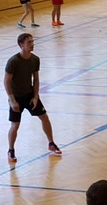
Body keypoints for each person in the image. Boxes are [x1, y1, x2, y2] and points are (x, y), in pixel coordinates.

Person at [5, 33, 63, 162]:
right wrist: (12, 100)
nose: (32, 44)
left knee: (44, 118)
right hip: (16, 97)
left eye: (32, 41)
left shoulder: (35, 59)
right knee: (15, 125)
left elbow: (36, 79)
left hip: (30, 95)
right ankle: (11, 150)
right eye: (29, 42)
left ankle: (51, 143)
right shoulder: (13, 61)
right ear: (21, 45)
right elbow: (6, 81)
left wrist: (36, 96)